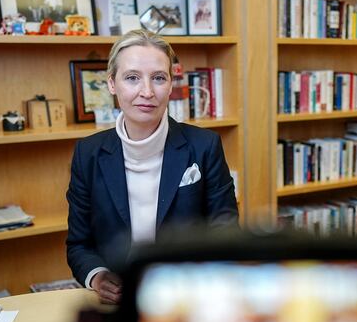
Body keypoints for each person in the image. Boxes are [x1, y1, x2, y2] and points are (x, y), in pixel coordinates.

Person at [66, 29, 239, 304]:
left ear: (170, 85)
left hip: (188, 296)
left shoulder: (204, 146)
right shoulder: (88, 154)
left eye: (158, 78)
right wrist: (98, 276)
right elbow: (79, 244)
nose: (146, 92)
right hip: (121, 302)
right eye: (132, 78)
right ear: (112, 83)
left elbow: (225, 232)